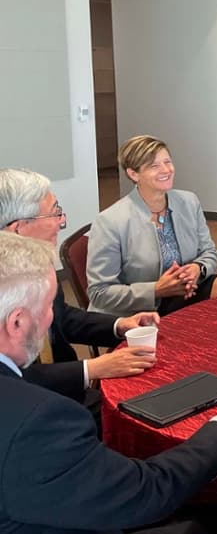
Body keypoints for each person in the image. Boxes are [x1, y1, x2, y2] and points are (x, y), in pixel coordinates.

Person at [0, 231, 217, 534]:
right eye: (48, 307)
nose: (51, 318)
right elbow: (148, 492)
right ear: (17, 322)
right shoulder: (40, 419)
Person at [0, 169, 160, 404]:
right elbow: (11, 380)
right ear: (18, 228)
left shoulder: (37, 266)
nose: (61, 222)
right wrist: (91, 368)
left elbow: (62, 317)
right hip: (30, 407)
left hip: (67, 387)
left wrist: (119, 325)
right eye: (54, 214)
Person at [88, 135, 217, 317]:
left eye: (167, 162)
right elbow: (99, 293)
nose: (166, 170)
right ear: (133, 174)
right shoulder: (110, 221)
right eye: (154, 166)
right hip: (138, 310)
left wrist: (198, 268)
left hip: (185, 294)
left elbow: (209, 252)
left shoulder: (189, 201)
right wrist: (156, 290)